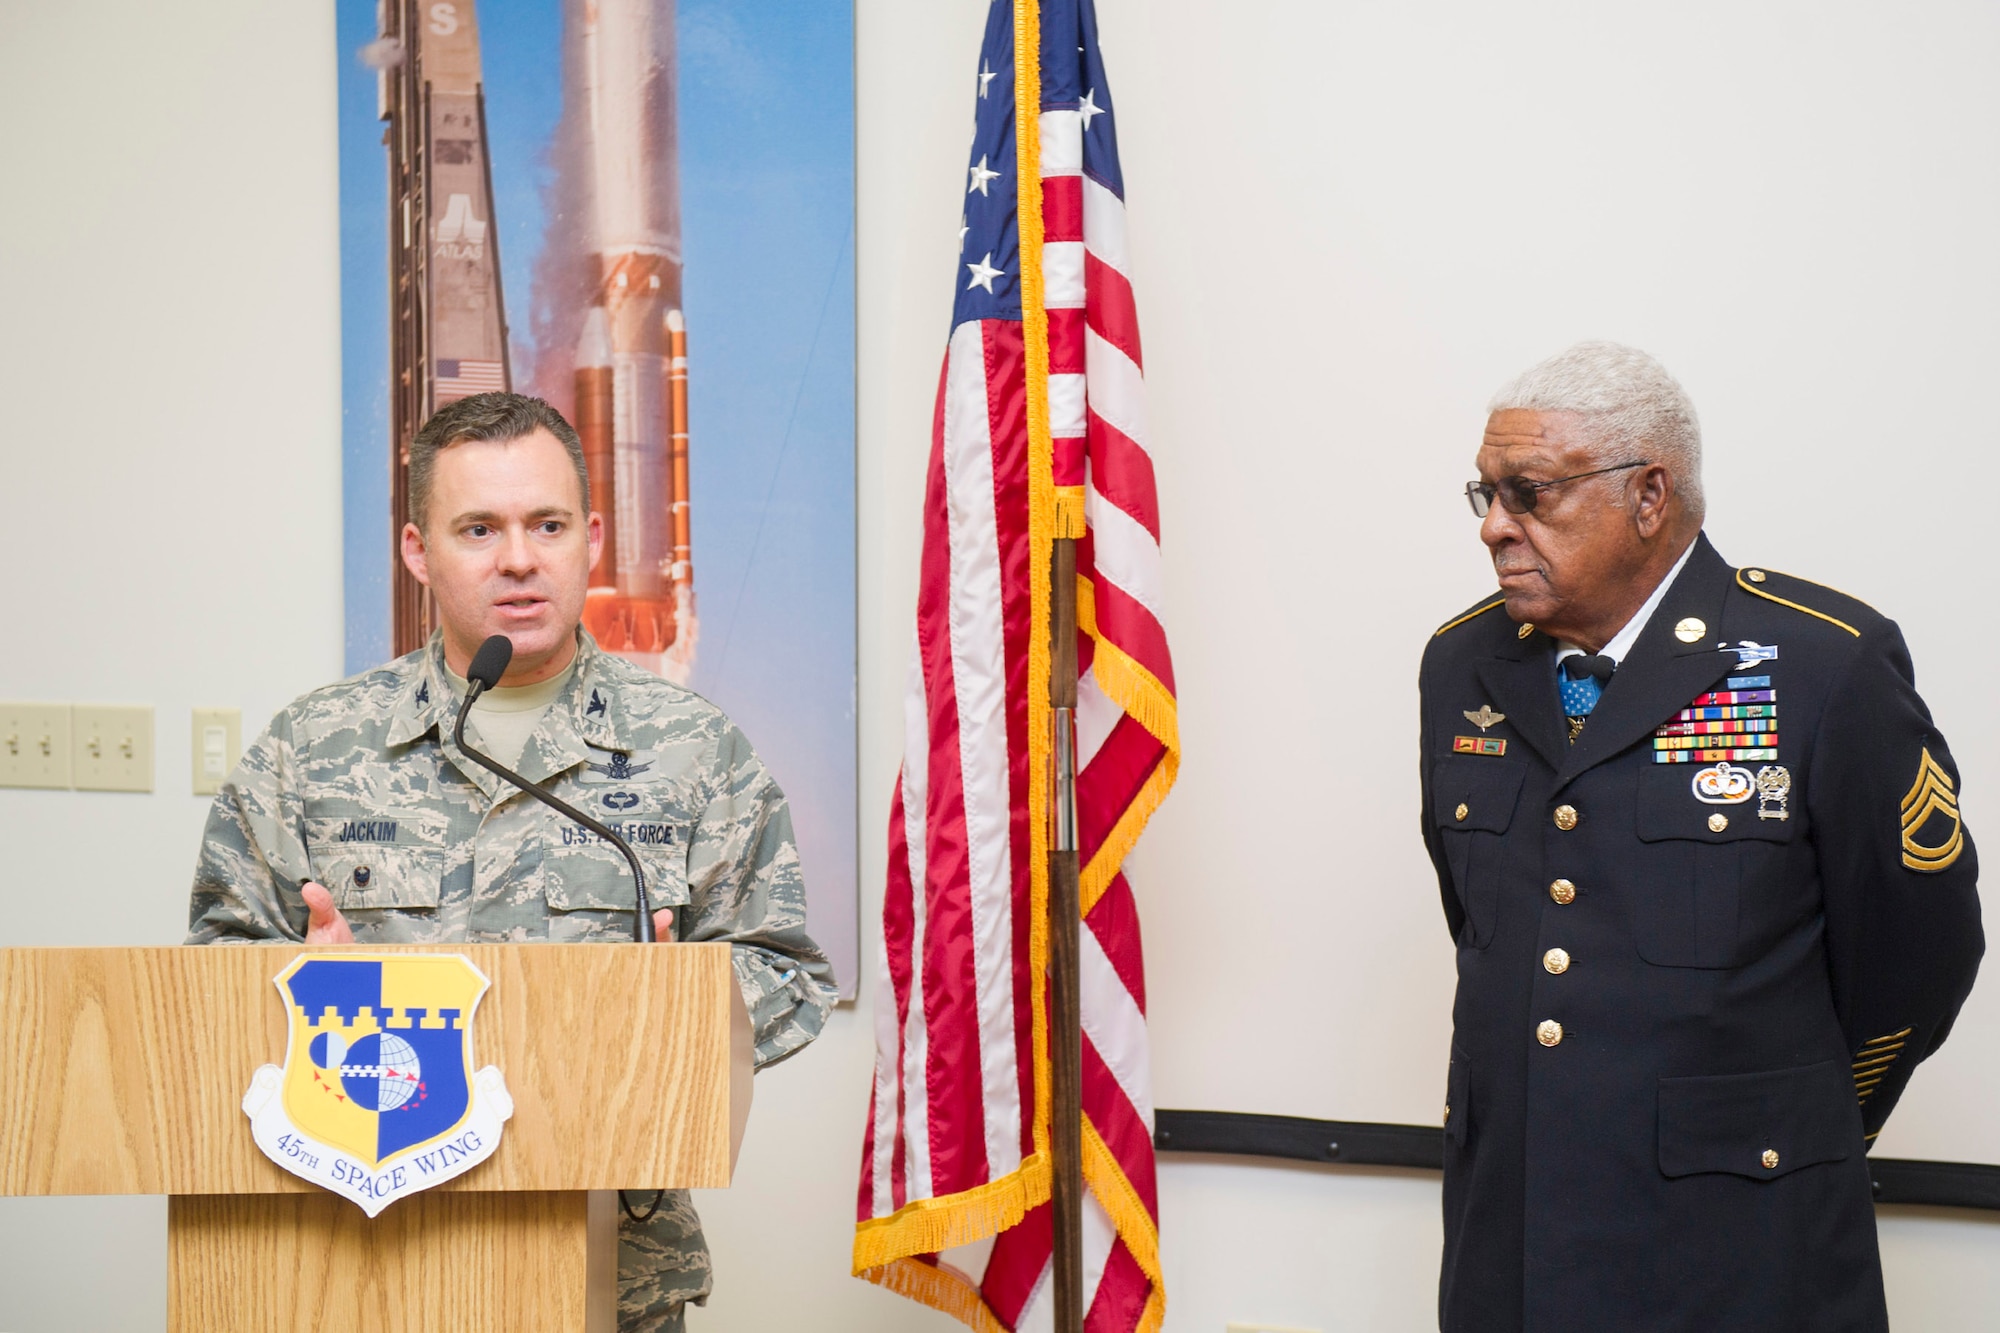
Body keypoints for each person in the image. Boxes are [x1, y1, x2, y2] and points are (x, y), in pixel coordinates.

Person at [187, 392, 835, 1333]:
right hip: (358, 1255)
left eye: (548, 524)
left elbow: (785, 968)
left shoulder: (697, 752)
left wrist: (683, 1010)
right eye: (479, 528)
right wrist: (298, 987)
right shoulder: (310, 749)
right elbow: (206, 972)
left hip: (606, 1268)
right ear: (419, 550)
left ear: (592, 538)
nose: (520, 558)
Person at [1419, 342, 1982, 1331]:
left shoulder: (1819, 663)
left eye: (1528, 493)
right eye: (1484, 494)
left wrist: (1782, 1115)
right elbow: (1481, 916)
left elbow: (1918, 951)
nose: (1494, 529)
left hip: (1740, 1246)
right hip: (1510, 1244)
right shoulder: (1461, 665)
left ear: (1647, 496)